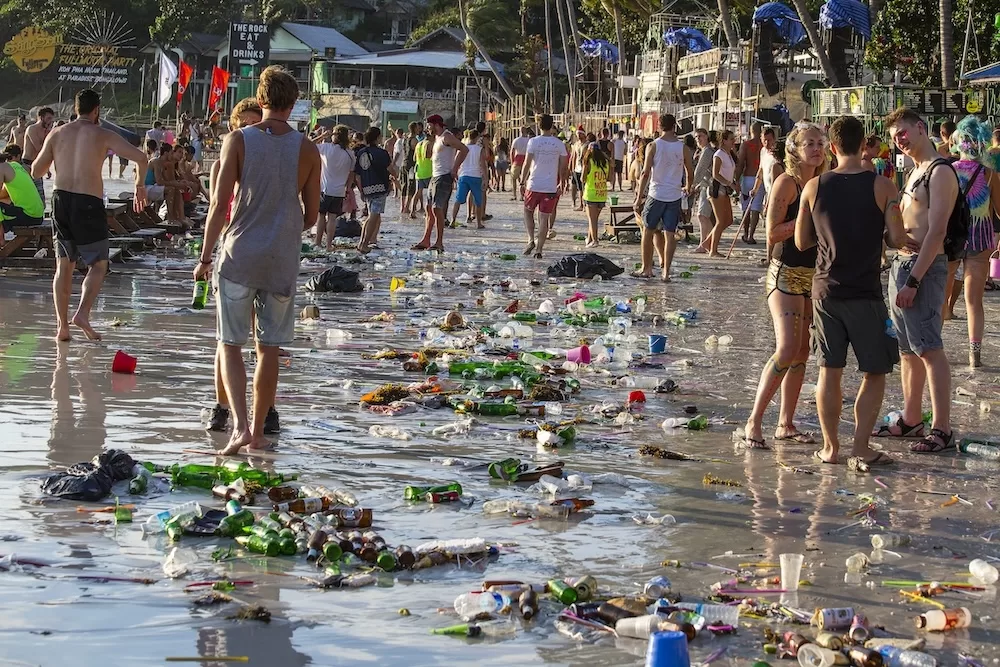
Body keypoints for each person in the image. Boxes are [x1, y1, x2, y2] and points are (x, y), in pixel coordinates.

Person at [194, 66, 321, 455]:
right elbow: (312, 215)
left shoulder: (238, 140)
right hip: (281, 259)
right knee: (269, 349)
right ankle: (262, 433)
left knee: (230, 343)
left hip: (238, 254)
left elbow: (218, 205)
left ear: (260, 100)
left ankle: (240, 428)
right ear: (294, 102)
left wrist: (203, 258)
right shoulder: (307, 148)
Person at [795, 114, 906, 469]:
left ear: (831, 145)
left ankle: (830, 448)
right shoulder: (882, 186)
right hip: (865, 291)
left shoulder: (814, 187)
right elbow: (898, 238)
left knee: (829, 370)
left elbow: (801, 240)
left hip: (825, 290)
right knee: (875, 370)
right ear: (864, 145)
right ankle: (860, 446)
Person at [871, 107, 958, 454]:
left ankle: (942, 428)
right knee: (908, 351)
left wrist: (915, 282)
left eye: (904, 133)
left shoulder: (940, 173)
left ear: (921, 128)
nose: (900, 141)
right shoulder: (913, 171)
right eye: (895, 137)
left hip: (923, 270)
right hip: (902, 265)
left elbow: (937, 232)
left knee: (930, 349)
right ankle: (910, 417)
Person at [29, 89, 148, 342]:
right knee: (99, 264)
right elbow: (141, 157)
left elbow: (36, 172)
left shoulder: (57, 133)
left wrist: (56, 158)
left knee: (64, 265)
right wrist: (139, 187)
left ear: (75, 109)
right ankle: (82, 314)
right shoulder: (103, 134)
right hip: (88, 203)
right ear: (97, 111)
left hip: (61, 200)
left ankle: (62, 327)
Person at [739, 123, 827, 450]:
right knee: (787, 348)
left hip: (812, 274)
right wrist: (805, 216)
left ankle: (785, 423)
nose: (817, 149)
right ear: (795, 148)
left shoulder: (821, 183)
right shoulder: (786, 183)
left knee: (803, 351)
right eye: (810, 144)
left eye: (820, 143)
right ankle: (754, 420)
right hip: (785, 272)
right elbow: (772, 232)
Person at [940, 117, 1000, 369]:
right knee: (973, 300)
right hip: (981, 236)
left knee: (942, 296)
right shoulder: (989, 174)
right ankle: (974, 353)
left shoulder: (949, 170)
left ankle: (934, 347)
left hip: (953, 237)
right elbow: (999, 210)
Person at [633, 113, 693, 281]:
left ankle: (647, 268)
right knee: (669, 233)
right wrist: (688, 187)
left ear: (659, 126)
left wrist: (638, 198)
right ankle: (666, 271)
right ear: (674, 127)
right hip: (673, 195)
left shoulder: (653, 145)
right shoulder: (683, 148)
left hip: (656, 194)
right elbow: (690, 171)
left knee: (648, 230)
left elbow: (645, 173)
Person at [413, 114, 467, 252]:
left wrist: (455, 168)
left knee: (437, 209)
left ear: (436, 124)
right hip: (434, 176)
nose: (427, 128)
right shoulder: (437, 138)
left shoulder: (447, 136)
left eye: (429, 125)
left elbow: (464, 149)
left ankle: (439, 242)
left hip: (444, 176)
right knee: (429, 208)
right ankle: (425, 240)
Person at [519, 114, 567, 259]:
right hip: (550, 187)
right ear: (552, 126)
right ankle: (539, 249)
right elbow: (564, 166)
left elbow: (527, 163)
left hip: (534, 184)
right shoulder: (559, 144)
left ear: (538, 126)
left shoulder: (533, 142)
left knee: (528, 212)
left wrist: (522, 181)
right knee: (544, 218)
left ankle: (530, 239)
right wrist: (562, 182)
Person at [313, 124, 356, 250]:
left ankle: (317, 242)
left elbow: (307, 145)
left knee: (321, 216)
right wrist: (348, 188)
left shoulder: (326, 148)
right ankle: (329, 245)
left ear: (335, 136)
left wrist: (322, 136)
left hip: (325, 189)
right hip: (339, 191)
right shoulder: (350, 154)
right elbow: (351, 174)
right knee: (332, 217)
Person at [354, 126, 395, 253]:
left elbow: (357, 175)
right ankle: (365, 244)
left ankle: (362, 242)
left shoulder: (361, 152)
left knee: (371, 216)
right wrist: (396, 176)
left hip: (366, 188)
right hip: (379, 188)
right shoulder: (382, 153)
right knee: (374, 215)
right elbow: (391, 169)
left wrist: (361, 191)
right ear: (378, 138)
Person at [706, 130, 739, 257]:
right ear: (724, 140)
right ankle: (713, 250)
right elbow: (715, 174)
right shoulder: (719, 154)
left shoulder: (729, 154)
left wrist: (734, 183)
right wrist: (730, 183)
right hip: (717, 188)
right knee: (720, 221)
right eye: (731, 139)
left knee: (729, 220)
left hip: (725, 189)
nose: (733, 141)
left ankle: (707, 242)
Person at [0, 144, 44, 233]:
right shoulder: (17, 166)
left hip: (27, 216)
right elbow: (4, 195)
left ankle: (1, 240)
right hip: (38, 216)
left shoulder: (1, 168)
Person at [450, 128, 488, 229]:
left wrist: (455, 172)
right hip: (476, 176)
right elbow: (483, 165)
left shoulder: (463, 148)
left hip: (464, 175)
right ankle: (479, 223)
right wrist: (485, 179)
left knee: (458, 200)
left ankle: (452, 220)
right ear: (477, 137)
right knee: (478, 201)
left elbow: (456, 160)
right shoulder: (479, 149)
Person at [736, 122, 765, 244]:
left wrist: (736, 179)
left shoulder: (746, 145)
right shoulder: (764, 144)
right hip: (760, 179)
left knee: (746, 207)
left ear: (750, 131)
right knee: (756, 208)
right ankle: (751, 235)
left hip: (747, 178)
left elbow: (741, 163)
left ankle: (745, 232)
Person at [692, 129, 716, 253]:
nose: (698, 139)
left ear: (706, 137)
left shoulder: (707, 151)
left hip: (708, 186)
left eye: (700, 136)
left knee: (702, 215)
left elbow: (700, 171)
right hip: (705, 185)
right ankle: (708, 243)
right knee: (703, 216)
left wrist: (691, 184)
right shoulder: (704, 151)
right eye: (696, 137)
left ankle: (705, 244)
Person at [581, 140, 609, 247]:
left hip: (591, 194)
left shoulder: (588, 161)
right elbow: (609, 178)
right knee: (594, 218)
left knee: (592, 220)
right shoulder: (605, 163)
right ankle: (589, 238)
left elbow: (582, 178)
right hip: (602, 194)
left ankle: (595, 241)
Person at [23, 107, 54, 202]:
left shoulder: (46, 131)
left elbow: (44, 152)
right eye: (48, 118)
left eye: (51, 119)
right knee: (27, 194)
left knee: (40, 197)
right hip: (27, 165)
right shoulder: (32, 129)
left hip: (37, 164)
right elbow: (39, 148)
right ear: (41, 117)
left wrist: (47, 168)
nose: (50, 121)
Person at [400, 122, 420, 218]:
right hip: (411, 166)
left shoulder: (405, 139)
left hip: (403, 163)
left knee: (404, 185)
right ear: (415, 129)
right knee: (411, 185)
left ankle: (402, 206)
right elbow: (416, 154)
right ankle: (407, 207)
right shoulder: (414, 140)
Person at [411, 132, 433, 218]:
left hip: (419, 171)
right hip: (429, 171)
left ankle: (412, 211)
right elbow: (428, 155)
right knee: (430, 193)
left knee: (418, 192)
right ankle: (428, 213)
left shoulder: (419, 144)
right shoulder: (429, 143)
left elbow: (414, 158)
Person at [510, 127, 531, 201]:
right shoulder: (529, 140)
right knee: (524, 179)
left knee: (514, 178)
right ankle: (522, 195)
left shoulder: (516, 140)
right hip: (525, 159)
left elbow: (512, 151)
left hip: (518, 159)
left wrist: (512, 162)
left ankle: (515, 195)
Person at [569, 127, 587, 211]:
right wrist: (572, 168)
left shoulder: (587, 145)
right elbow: (573, 157)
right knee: (579, 188)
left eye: (580, 134)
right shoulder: (576, 144)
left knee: (584, 187)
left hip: (584, 168)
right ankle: (581, 204)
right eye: (577, 134)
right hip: (577, 168)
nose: (578, 136)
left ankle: (584, 204)